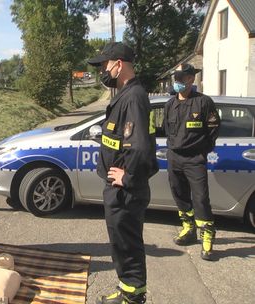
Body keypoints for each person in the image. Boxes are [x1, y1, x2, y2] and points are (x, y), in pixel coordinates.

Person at [88, 42, 158, 304]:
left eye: (104, 66)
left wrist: (126, 178)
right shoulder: (126, 95)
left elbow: (140, 147)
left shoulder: (134, 97)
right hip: (119, 188)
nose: (102, 72)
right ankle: (128, 290)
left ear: (118, 64)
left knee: (127, 245)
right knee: (122, 243)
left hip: (125, 190)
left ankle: (132, 297)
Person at [163, 63, 220, 261]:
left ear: (191, 79)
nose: (177, 80)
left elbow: (213, 129)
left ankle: (207, 237)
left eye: (181, 77)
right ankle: (189, 229)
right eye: (175, 77)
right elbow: (167, 130)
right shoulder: (170, 104)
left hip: (195, 159)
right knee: (179, 194)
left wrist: (201, 151)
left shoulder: (204, 102)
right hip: (174, 158)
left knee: (201, 199)